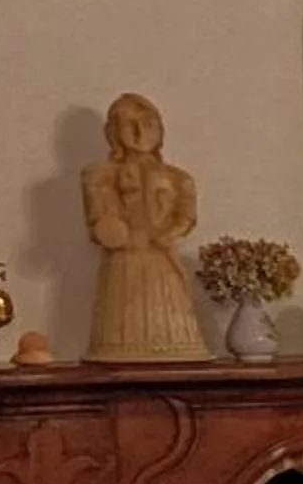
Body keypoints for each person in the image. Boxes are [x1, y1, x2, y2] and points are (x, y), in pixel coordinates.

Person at [82, 93, 209, 360]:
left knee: (173, 329)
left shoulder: (179, 178)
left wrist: (167, 235)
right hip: (123, 264)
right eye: (130, 125)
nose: (140, 132)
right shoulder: (99, 175)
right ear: (114, 132)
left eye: (149, 124)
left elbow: (185, 218)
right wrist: (111, 228)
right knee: (120, 330)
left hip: (161, 258)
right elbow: (100, 225)